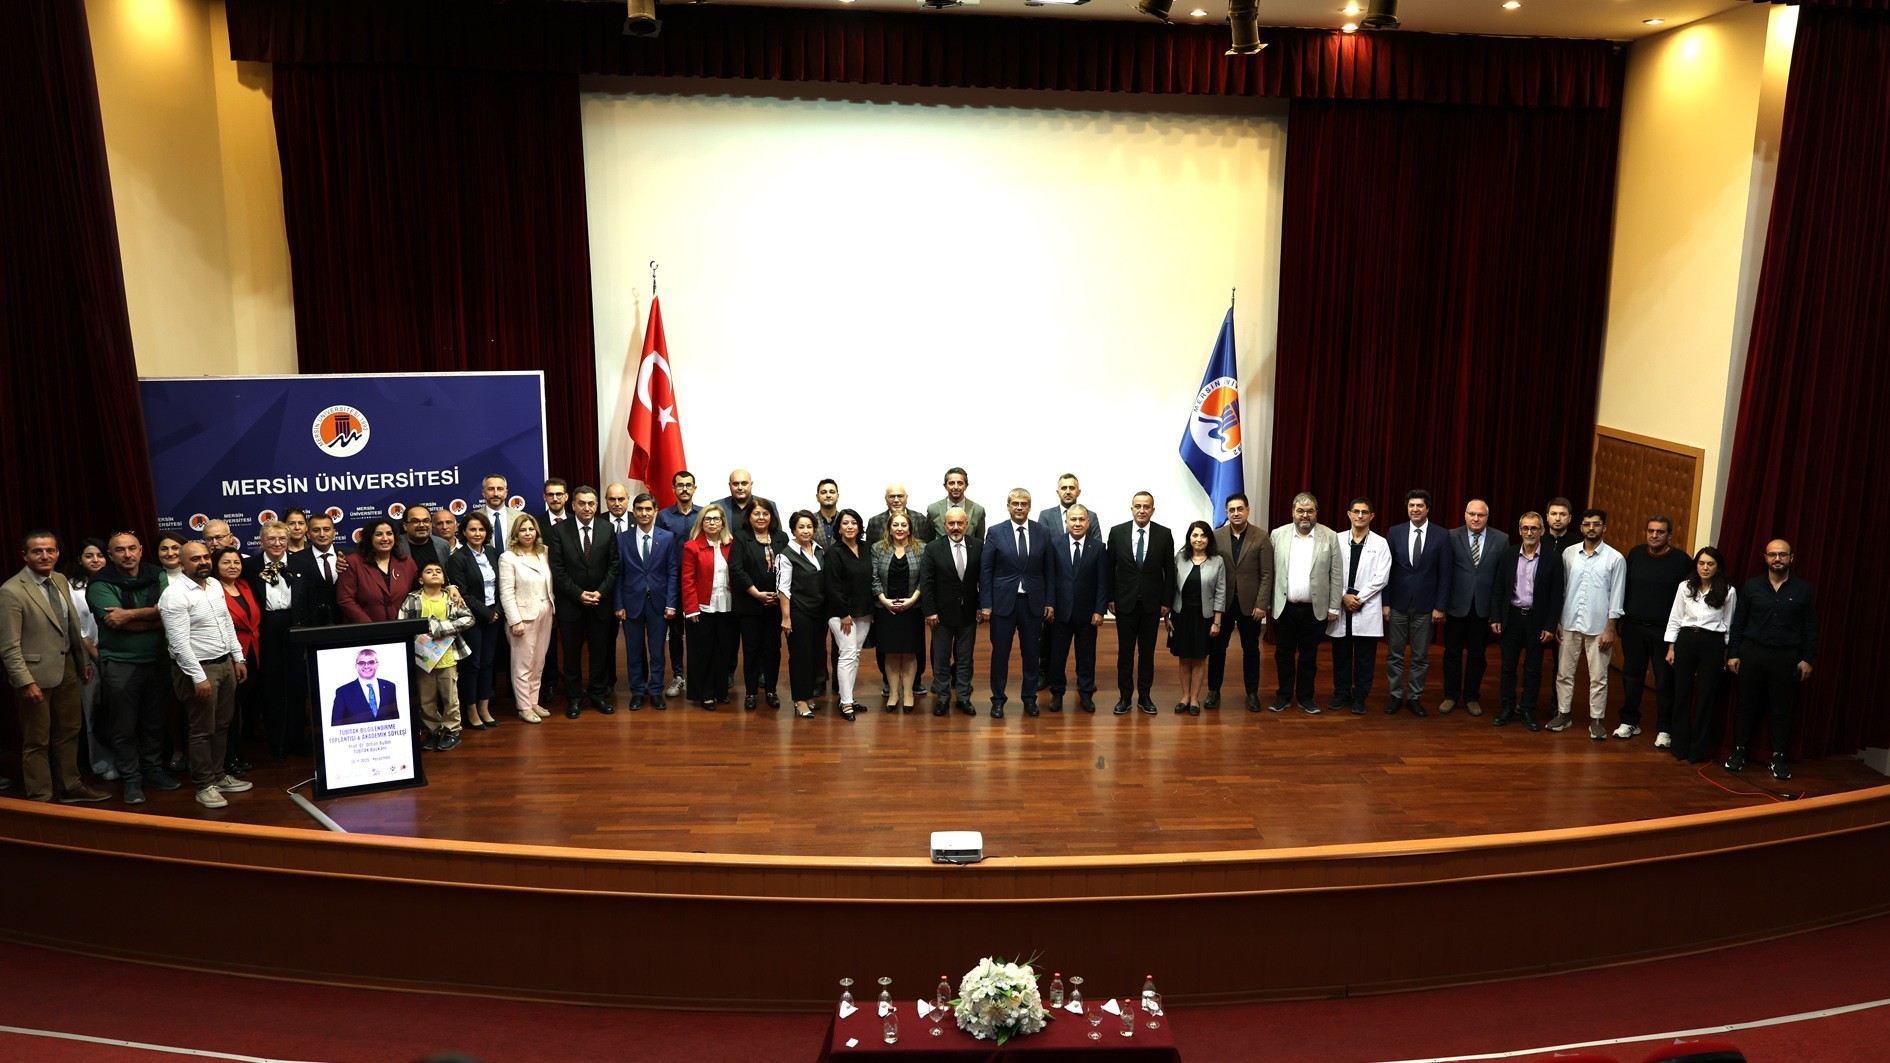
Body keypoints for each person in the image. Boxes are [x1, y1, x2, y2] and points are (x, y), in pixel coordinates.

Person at [0, 532, 108, 804]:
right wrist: (25, 682)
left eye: (50, 550)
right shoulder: (11, 591)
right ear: (24, 555)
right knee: (37, 740)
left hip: (68, 670)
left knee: (70, 731)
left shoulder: (59, 579)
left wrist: (83, 662)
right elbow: (9, 646)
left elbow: (72, 625)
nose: (45, 556)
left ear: (58, 553)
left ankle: (71, 787)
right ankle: (41, 797)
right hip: (35, 677)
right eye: (37, 551)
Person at [157, 541, 252, 810]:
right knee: (202, 730)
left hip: (224, 663)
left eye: (206, 557)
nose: (203, 562)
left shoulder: (215, 585)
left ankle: (219, 775)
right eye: (195, 559)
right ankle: (204, 785)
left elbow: (226, 623)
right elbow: (178, 643)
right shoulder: (174, 595)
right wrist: (198, 677)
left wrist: (238, 657)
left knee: (222, 724)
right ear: (181, 563)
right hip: (197, 669)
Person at [89, 532, 178, 803]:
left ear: (140, 550)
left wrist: (128, 615)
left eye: (131, 549)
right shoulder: (100, 583)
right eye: (120, 550)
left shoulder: (157, 575)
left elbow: (167, 612)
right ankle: (131, 778)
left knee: (155, 722)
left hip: (157, 660)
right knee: (124, 726)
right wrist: (153, 618)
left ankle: (153, 770)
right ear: (110, 555)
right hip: (120, 663)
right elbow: (114, 623)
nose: (127, 555)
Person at [1725, 539, 1818, 780]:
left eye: (1782, 555)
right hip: (1752, 653)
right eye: (1773, 554)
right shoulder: (1752, 586)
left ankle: (1778, 757)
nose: (1777, 559)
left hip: (1785, 656)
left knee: (1781, 708)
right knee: (1746, 705)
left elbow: (1810, 627)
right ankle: (1739, 751)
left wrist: (1808, 659)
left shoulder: (1803, 589)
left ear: (1791, 558)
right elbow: (1738, 622)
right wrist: (1733, 653)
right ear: (1765, 558)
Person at [1550, 508, 1626, 739]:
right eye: (1587, 524)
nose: (1591, 528)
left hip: (1599, 626)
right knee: (1564, 673)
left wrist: (1610, 628)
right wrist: (1558, 621)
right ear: (1581, 527)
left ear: (1604, 527)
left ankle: (1597, 720)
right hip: (1569, 621)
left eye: (1596, 524)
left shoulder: (1615, 558)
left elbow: (1617, 596)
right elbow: (1562, 589)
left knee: (1598, 677)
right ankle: (1563, 714)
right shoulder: (1569, 553)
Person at [241, 521, 312, 768]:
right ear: (261, 542)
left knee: (296, 685)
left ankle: (297, 740)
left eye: (282, 538)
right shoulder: (249, 566)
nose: (277, 543)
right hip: (265, 630)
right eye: (271, 539)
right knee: (271, 687)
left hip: (295, 628)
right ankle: (277, 744)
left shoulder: (301, 563)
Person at [1618, 515, 1694, 744]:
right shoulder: (1636, 554)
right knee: (1631, 677)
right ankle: (1629, 721)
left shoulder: (1681, 560)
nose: (1654, 535)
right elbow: (1625, 587)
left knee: (1664, 681)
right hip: (1634, 628)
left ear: (1669, 535)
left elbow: (1688, 598)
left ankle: (1664, 728)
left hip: (1664, 631)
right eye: (1651, 531)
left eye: (1660, 532)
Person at [980, 488, 1053, 720]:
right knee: (1000, 654)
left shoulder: (1043, 532)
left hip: (1032, 604)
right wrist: (986, 603)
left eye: (1024, 503)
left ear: (1029, 506)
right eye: (1015, 503)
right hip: (1003, 604)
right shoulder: (995, 532)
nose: (1019, 507)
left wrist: (1049, 601)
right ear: (1008, 506)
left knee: (1031, 654)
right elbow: (986, 570)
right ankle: (998, 700)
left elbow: (1049, 570)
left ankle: (1030, 698)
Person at [548, 486, 620, 719]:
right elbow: (558, 569)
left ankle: (598, 695)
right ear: (573, 505)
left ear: (597, 506)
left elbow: (613, 566)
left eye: (591, 503)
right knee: (571, 654)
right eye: (581, 503)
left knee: (599, 653)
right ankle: (574, 698)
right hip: (571, 604)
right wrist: (578, 594)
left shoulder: (607, 528)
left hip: (600, 603)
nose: (586, 507)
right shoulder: (559, 530)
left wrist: (600, 592)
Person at [1268, 493, 1344, 714]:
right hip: (1284, 607)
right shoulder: (1278, 534)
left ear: (1316, 513)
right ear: (1293, 512)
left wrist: (1334, 606)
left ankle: (1305, 697)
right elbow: (1269, 571)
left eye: (1310, 511)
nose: (1305, 515)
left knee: (1309, 657)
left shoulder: (1329, 536)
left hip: (1314, 609)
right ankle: (1283, 696)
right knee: (1284, 655)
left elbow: (1336, 574)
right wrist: (1268, 603)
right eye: (1300, 511)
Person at [1491, 511, 1563, 731]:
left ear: (1542, 531)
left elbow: (1556, 595)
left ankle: (1527, 709)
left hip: (1536, 620)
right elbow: (1499, 588)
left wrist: (1550, 625)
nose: (1529, 532)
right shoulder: (1509, 554)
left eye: (1534, 528)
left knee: (1533, 668)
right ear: (1519, 530)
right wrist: (1496, 616)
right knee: (1508, 666)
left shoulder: (1552, 558)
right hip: (1512, 617)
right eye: (1525, 528)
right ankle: (1507, 707)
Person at [1665, 546, 1736, 765]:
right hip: (1686, 640)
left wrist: (1726, 653)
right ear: (1696, 565)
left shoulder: (1728, 591)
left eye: (1710, 564)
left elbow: (1728, 624)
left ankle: (1699, 749)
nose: (1705, 568)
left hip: (1712, 643)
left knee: (1706, 697)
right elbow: (1675, 618)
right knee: (1682, 694)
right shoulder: (1685, 587)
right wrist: (1671, 648)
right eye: (1701, 563)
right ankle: (1679, 745)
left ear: (1718, 567)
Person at [1383, 489, 1450, 717]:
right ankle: (1394, 696)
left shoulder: (1441, 535)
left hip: (1426, 606)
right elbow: (1386, 571)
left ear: (1427, 509)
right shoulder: (1395, 532)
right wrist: (1385, 603)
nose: (1415, 509)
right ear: (1407, 507)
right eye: (1411, 505)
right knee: (1395, 654)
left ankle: (1414, 697)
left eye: (1420, 505)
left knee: (1420, 656)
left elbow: (1445, 574)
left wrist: (1440, 606)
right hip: (1398, 603)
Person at [1106, 492, 1174, 716]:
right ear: (1132, 509)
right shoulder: (1117, 532)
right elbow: (1109, 568)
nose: (1142, 510)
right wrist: (1110, 598)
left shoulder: (1164, 534)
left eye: (1146, 506)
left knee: (1147, 653)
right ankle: (1124, 697)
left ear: (1153, 510)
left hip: (1152, 605)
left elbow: (1170, 571)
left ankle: (1145, 696)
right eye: (1138, 506)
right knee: (1125, 653)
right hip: (1124, 603)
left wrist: (1166, 602)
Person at [1441, 499, 1510, 717]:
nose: (1476, 518)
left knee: (1477, 655)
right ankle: (1451, 695)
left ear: (1487, 517)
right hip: (1456, 605)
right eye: (1472, 514)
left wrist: (1497, 612)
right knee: (1452, 653)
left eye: (1481, 515)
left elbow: (1502, 578)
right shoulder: (1451, 536)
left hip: (1483, 607)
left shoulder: (1502, 539)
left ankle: (1472, 697)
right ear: (1465, 515)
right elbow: (1444, 572)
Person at [1208, 493, 1273, 712]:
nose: (1236, 513)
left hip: (1250, 605)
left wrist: (1262, 604)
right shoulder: (1216, 536)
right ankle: (1213, 691)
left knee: (1251, 650)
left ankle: (1252, 694)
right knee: (1217, 649)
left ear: (1247, 510)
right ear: (1227, 513)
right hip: (1223, 604)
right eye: (1232, 510)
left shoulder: (1261, 537)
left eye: (1240, 509)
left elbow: (1267, 573)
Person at [615, 492, 680, 710]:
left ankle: (655, 691)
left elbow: (672, 572)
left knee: (657, 651)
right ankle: (637, 691)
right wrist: (618, 604)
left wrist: (671, 603)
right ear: (634, 512)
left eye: (648, 509)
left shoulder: (667, 537)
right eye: (640, 509)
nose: (644, 513)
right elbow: (619, 575)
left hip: (659, 604)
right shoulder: (622, 538)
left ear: (655, 511)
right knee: (633, 652)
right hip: (631, 603)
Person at [399, 562, 473, 751]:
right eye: (429, 571)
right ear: (420, 580)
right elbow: (402, 622)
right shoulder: (412, 599)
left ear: (443, 579)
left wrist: (441, 628)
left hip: (446, 656)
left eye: (438, 571)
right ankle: (431, 730)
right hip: (422, 656)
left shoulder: (452, 598)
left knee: (450, 697)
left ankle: (451, 731)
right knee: (426, 698)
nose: (434, 573)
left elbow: (468, 619)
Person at [1327, 498, 1391, 715]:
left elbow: (1382, 577)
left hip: (1366, 605)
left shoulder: (1380, 543)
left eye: (1365, 512)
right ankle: (1341, 693)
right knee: (1341, 655)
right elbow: (1328, 571)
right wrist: (1343, 597)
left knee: (1365, 657)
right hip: (1341, 604)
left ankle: (1360, 697)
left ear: (1372, 516)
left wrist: (1358, 598)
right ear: (1349, 514)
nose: (1360, 516)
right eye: (1356, 511)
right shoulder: (1336, 539)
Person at [1046, 504, 1109, 713]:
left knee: (1086, 657)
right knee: (1057, 656)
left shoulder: (1098, 547)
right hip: (1060, 613)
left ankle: (1086, 693)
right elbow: (1050, 578)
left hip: (1087, 614)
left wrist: (1099, 610)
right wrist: (1050, 604)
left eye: (1081, 519)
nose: (1077, 523)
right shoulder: (1054, 544)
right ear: (1066, 522)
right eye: (1073, 519)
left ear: (1088, 522)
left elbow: (1102, 582)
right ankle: (1057, 693)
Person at [921, 506, 981, 717]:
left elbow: (983, 579)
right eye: (951, 523)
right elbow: (927, 582)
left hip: (968, 613)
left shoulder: (977, 546)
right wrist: (930, 611)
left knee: (965, 659)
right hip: (941, 615)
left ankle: (963, 697)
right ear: (945, 525)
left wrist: (982, 606)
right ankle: (943, 697)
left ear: (967, 525)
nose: (956, 527)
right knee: (941, 659)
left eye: (960, 523)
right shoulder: (933, 548)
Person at [446, 512, 504, 731]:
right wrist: (486, 613)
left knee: (488, 664)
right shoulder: (458, 558)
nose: (477, 533)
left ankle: (484, 708)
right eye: (472, 529)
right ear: (464, 532)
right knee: (473, 665)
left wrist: (496, 611)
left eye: (481, 529)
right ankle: (470, 710)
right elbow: (464, 593)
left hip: (494, 615)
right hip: (472, 619)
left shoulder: (492, 552)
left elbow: (502, 585)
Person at [679, 504, 738, 709]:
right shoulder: (692, 546)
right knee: (702, 653)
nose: (712, 523)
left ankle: (720, 691)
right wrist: (691, 609)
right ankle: (705, 693)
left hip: (727, 606)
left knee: (723, 650)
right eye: (708, 519)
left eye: (716, 519)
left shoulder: (731, 544)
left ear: (723, 523)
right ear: (701, 523)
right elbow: (687, 580)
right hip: (702, 607)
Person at [498, 514, 555, 724]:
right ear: (516, 534)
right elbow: (506, 592)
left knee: (539, 661)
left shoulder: (544, 552)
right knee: (522, 664)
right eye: (523, 530)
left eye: (531, 529)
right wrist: (515, 620)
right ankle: (524, 707)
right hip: (523, 616)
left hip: (546, 610)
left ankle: (534, 701)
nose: (528, 533)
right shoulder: (508, 558)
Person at [1166, 520, 1225, 717]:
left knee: (1199, 658)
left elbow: (1221, 592)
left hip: (1204, 617)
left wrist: (1217, 622)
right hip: (1181, 616)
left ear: (1209, 539)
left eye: (1203, 535)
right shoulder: (1180, 558)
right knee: (1184, 658)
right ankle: (1184, 697)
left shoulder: (1217, 561)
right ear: (1189, 538)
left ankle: (1194, 698)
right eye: (1195, 535)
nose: (1199, 539)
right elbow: (1171, 588)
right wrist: (1167, 616)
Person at [65, 538, 114, 779]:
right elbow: (78, 628)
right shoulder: (72, 589)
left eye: (100, 555)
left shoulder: (115, 581)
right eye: (89, 556)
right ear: (79, 560)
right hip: (89, 658)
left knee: (120, 712)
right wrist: (96, 656)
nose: (95, 560)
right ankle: (102, 763)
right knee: (93, 711)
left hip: (119, 656)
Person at [729, 500, 784, 710]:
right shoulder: (741, 537)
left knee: (773, 649)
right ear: (749, 517)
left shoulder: (781, 538)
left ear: (771, 516)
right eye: (756, 514)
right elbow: (737, 570)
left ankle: (771, 690)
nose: (761, 517)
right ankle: (751, 692)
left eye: (765, 513)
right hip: (749, 604)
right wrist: (757, 594)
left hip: (775, 605)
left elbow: (787, 568)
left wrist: (779, 594)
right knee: (751, 650)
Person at [212, 546, 261, 778]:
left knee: (240, 707)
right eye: (226, 562)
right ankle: (226, 759)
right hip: (231, 656)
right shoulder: (213, 589)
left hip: (253, 653)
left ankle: (235, 754)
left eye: (236, 562)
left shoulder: (244, 585)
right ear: (215, 566)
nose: (232, 566)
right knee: (228, 711)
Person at [871, 511, 926, 713]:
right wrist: (884, 601)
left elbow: (925, 578)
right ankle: (894, 693)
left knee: (909, 653)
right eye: (895, 525)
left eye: (903, 525)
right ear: (889, 528)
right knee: (891, 653)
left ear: (910, 528)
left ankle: (909, 692)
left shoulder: (922, 548)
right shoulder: (878, 548)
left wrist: (912, 600)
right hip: (886, 609)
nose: (900, 528)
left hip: (913, 608)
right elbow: (874, 577)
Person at [777, 510, 829, 719]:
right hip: (799, 612)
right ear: (793, 530)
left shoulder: (819, 550)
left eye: (809, 527)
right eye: (801, 527)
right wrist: (786, 617)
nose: (806, 531)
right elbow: (783, 589)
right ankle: (799, 700)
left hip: (819, 611)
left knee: (816, 654)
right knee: (800, 656)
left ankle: (808, 695)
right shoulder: (786, 554)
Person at [825, 509, 874, 721]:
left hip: (864, 611)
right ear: (838, 528)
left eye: (854, 522)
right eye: (845, 523)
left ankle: (848, 698)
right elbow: (832, 586)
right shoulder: (834, 552)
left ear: (860, 526)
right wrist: (843, 613)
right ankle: (845, 703)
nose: (850, 526)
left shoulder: (865, 548)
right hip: (841, 614)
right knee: (847, 654)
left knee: (855, 654)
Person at [656, 470, 702, 698]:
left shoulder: (704, 514)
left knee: (698, 631)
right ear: (673, 488)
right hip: (672, 583)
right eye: (680, 485)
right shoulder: (663, 516)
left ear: (695, 488)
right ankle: (678, 676)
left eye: (688, 485)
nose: (684, 489)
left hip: (699, 584)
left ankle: (698, 676)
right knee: (675, 633)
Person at [337, 517, 419, 623]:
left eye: (389, 534)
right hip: (364, 628)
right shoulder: (353, 562)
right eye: (379, 534)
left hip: (402, 627)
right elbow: (346, 600)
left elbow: (417, 593)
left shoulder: (407, 562)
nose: (385, 538)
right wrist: (370, 626)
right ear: (369, 538)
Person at [287, 512, 345, 629]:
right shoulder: (295, 559)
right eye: (316, 530)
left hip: (346, 622)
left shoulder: (349, 555)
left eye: (326, 529)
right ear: (308, 534)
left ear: (334, 532)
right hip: (312, 625)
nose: (322, 534)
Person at [329, 648, 399, 725]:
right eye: (362, 663)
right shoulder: (343, 692)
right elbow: (336, 726)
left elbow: (395, 719)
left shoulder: (390, 687)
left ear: (377, 664)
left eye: (371, 662)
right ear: (356, 666)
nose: (366, 666)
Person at [715, 469, 778, 541]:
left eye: (744, 484)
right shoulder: (717, 506)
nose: (740, 488)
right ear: (729, 485)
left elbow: (778, 536)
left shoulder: (769, 505)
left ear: (751, 484)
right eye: (735, 484)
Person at [926, 467, 987, 542]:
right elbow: (929, 541)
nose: (956, 487)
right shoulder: (933, 509)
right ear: (945, 486)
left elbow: (979, 542)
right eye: (951, 483)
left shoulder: (978, 510)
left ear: (966, 486)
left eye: (960, 483)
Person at [402, 505, 449, 576]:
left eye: (426, 521)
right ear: (405, 526)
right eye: (415, 521)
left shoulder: (443, 544)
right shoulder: (396, 546)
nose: (421, 525)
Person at [475, 474, 514, 548]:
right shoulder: (473, 517)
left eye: (500, 489)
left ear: (506, 493)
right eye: (491, 489)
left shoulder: (520, 517)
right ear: (483, 493)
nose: (496, 494)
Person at [1542, 498, 1580, 563]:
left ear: (1569, 518)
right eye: (1553, 514)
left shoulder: (1578, 543)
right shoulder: (1539, 541)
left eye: (1563, 514)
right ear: (1547, 517)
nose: (1558, 518)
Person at [812, 479, 844, 548]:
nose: (828, 495)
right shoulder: (810, 520)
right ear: (817, 497)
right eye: (823, 492)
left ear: (837, 496)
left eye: (832, 492)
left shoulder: (845, 520)